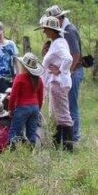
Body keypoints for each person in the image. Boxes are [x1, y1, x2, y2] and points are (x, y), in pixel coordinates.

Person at [44, 5, 85, 142]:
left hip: (73, 71)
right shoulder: (61, 34)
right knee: (63, 108)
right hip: (67, 72)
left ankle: (74, 138)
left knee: (70, 107)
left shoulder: (70, 31)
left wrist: (65, 71)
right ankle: (64, 139)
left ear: (59, 18)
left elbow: (75, 55)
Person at [38, 15, 74, 151]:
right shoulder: (57, 42)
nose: (44, 32)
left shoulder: (58, 43)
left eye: (45, 29)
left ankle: (68, 147)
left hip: (59, 83)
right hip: (55, 83)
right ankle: (57, 145)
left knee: (63, 116)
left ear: (52, 30)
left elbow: (68, 58)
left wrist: (60, 70)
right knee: (55, 115)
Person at [7, 53, 45, 146]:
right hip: (35, 108)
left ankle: (12, 152)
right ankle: (31, 151)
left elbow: (13, 96)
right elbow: (40, 97)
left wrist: (10, 110)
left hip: (22, 108)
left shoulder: (19, 78)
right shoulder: (39, 80)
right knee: (31, 133)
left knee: (15, 131)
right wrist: (38, 109)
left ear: (23, 66)